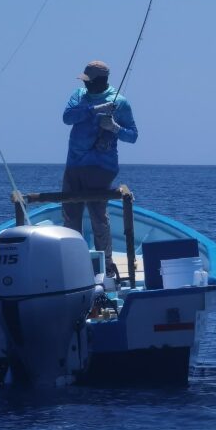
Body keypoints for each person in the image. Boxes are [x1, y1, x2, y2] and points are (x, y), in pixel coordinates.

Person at [62, 60, 138, 278]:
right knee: (70, 214)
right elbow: (67, 117)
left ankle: (106, 263)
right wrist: (94, 110)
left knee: (98, 216)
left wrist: (114, 128)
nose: (85, 85)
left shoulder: (120, 103)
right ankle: (72, 261)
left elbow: (133, 136)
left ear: (101, 81)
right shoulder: (79, 95)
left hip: (100, 167)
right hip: (74, 164)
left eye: (89, 82)